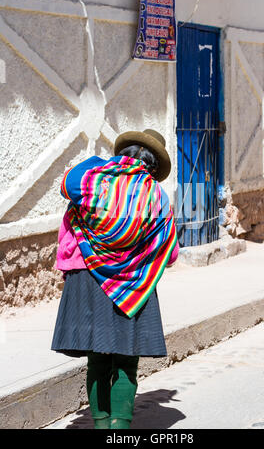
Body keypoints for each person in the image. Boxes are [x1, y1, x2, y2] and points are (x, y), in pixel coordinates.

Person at [51, 129, 179, 430]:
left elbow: (66, 184)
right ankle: (119, 428)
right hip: (135, 287)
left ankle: (100, 424)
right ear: (153, 166)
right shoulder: (156, 195)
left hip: (88, 277)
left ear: (122, 154)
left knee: (97, 357)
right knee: (126, 359)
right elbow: (170, 253)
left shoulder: (93, 181)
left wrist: (96, 160)